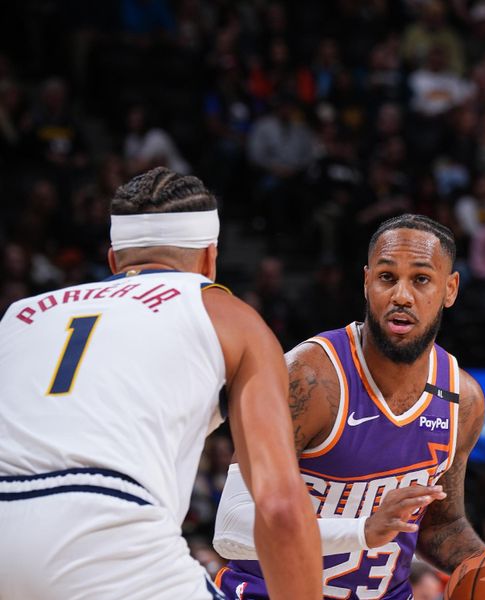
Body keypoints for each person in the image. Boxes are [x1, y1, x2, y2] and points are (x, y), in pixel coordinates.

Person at [0, 167, 322, 599]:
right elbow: (280, 507)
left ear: (114, 261)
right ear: (210, 259)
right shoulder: (226, 314)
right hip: (106, 528)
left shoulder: (20, 315)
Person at [213, 214, 485, 599]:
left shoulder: (463, 399)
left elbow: (440, 527)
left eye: (421, 279)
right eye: (387, 277)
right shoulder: (308, 378)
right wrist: (362, 531)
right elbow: (230, 529)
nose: (402, 296)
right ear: (366, 282)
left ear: (450, 289)